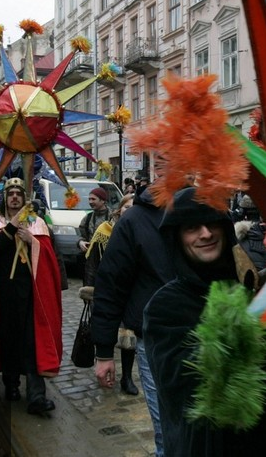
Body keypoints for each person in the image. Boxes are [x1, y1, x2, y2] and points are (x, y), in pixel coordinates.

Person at [143, 186, 266, 457]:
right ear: (178, 238)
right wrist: (236, 325)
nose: (205, 234)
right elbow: (180, 382)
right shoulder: (165, 306)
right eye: (192, 228)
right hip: (208, 445)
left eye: (212, 224)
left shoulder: (248, 285)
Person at [92, 186, 176, 457]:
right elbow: (111, 285)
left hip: (207, 338)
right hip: (155, 340)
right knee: (168, 428)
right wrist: (104, 352)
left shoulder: (208, 213)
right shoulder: (135, 220)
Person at [0, 178, 62, 415]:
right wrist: (14, 226)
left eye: (18, 193)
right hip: (4, 294)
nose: (14, 197)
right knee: (8, 341)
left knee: (32, 341)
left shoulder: (37, 223)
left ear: (24, 198)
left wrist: (32, 241)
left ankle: (37, 396)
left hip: (31, 295)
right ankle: (11, 385)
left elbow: (48, 256)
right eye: (10, 194)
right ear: (4, 198)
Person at [83, 193, 138, 395]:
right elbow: (93, 263)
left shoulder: (139, 232)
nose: (130, 211)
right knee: (105, 332)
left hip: (130, 292)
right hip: (106, 291)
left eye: (134, 207)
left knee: (128, 337)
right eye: (126, 207)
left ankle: (127, 377)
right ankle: (104, 365)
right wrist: (89, 291)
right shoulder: (104, 231)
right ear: (119, 210)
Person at [77, 187, 111, 255]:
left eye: (93, 199)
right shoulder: (88, 218)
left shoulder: (113, 217)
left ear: (103, 200)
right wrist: (80, 242)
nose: (90, 202)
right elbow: (81, 234)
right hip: (91, 257)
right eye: (89, 199)